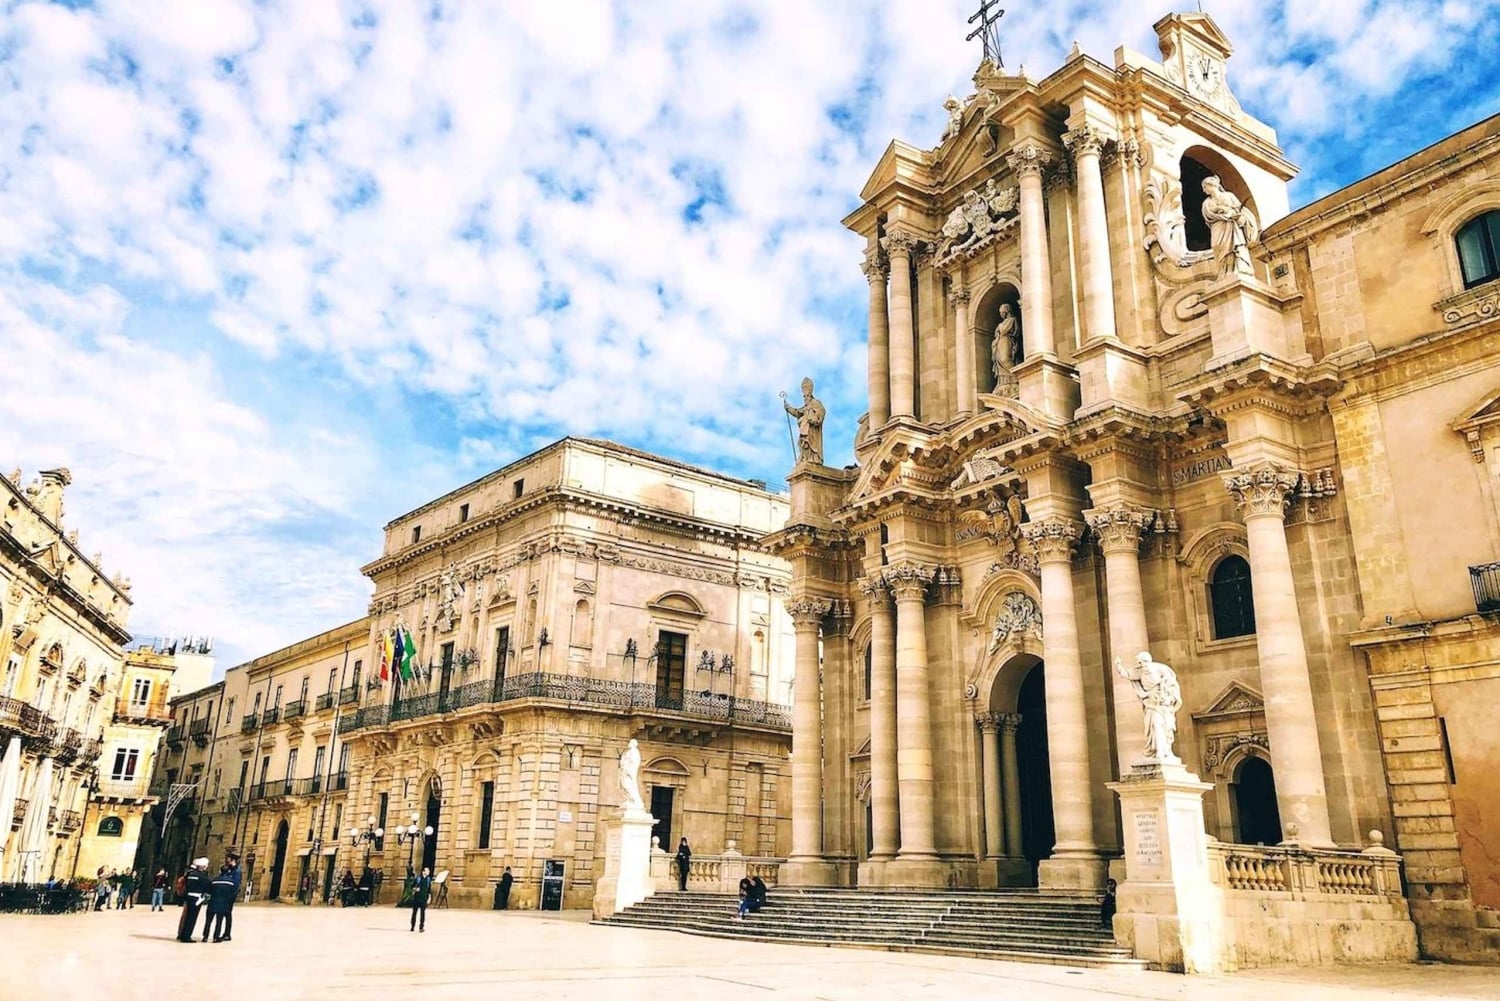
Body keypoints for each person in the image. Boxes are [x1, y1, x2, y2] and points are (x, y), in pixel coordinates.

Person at [782, 377, 827, 465]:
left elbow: (821, 412)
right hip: (805, 429)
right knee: (803, 442)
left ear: (811, 395)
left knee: (810, 444)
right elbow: (797, 412)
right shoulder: (805, 407)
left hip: (812, 431)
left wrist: (813, 417)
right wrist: (788, 408)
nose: (805, 398)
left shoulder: (815, 403)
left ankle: (814, 458)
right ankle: (806, 458)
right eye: (804, 396)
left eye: (807, 396)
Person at [176, 859, 212, 943]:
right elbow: (208, 887)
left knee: (186, 917)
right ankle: (187, 936)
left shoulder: (189, 875)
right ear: (203, 867)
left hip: (188, 897)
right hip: (197, 899)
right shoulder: (203, 877)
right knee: (192, 918)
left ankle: (182, 934)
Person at [408, 866, 432, 933]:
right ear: (423, 872)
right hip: (416, 898)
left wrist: (429, 898)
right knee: (414, 913)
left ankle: (421, 927)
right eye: (427, 871)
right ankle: (412, 926)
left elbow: (429, 889)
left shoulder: (428, 880)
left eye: (428, 871)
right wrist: (415, 889)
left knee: (422, 913)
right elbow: (412, 887)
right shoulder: (418, 879)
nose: (428, 872)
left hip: (424, 899)